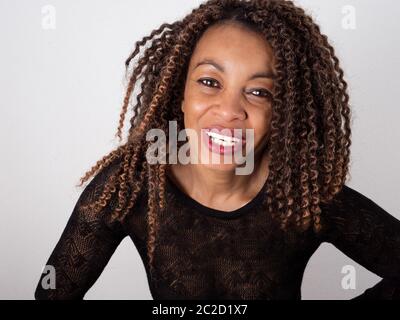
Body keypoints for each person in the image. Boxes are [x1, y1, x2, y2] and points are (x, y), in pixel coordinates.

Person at [34, 0, 400, 299]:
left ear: (283, 114)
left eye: (259, 92)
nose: (228, 111)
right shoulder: (130, 186)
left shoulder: (303, 196)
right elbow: (52, 293)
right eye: (210, 82)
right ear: (181, 94)